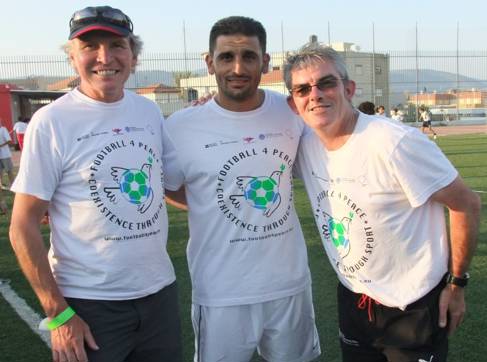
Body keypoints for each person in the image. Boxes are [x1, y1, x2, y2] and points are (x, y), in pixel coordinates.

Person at [283, 44, 481, 362]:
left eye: (326, 83)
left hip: (413, 304)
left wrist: (457, 284)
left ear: (348, 88)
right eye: (303, 89)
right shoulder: (303, 146)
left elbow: (466, 204)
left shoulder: (393, 143)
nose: (315, 94)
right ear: (294, 104)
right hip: (354, 299)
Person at [9, 6, 182, 362]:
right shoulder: (51, 121)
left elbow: (166, 186)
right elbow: (23, 225)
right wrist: (58, 312)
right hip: (90, 305)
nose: (105, 57)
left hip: (159, 295)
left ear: (133, 56)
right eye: (90, 46)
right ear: (72, 58)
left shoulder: (148, 112)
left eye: (117, 45)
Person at [164, 16, 320, 362]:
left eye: (249, 56)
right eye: (226, 58)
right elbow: (167, 185)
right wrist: (207, 204)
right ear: (210, 63)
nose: (238, 68)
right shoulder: (180, 127)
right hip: (221, 291)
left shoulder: (292, 113)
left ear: (265, 62)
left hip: (289, 286)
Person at [0, 118, 14, 188]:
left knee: (9, 171)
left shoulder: (3, 129)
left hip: (5, 155)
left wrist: (1, 145)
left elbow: (9, 141)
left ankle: (13, 186)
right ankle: (1, 185)